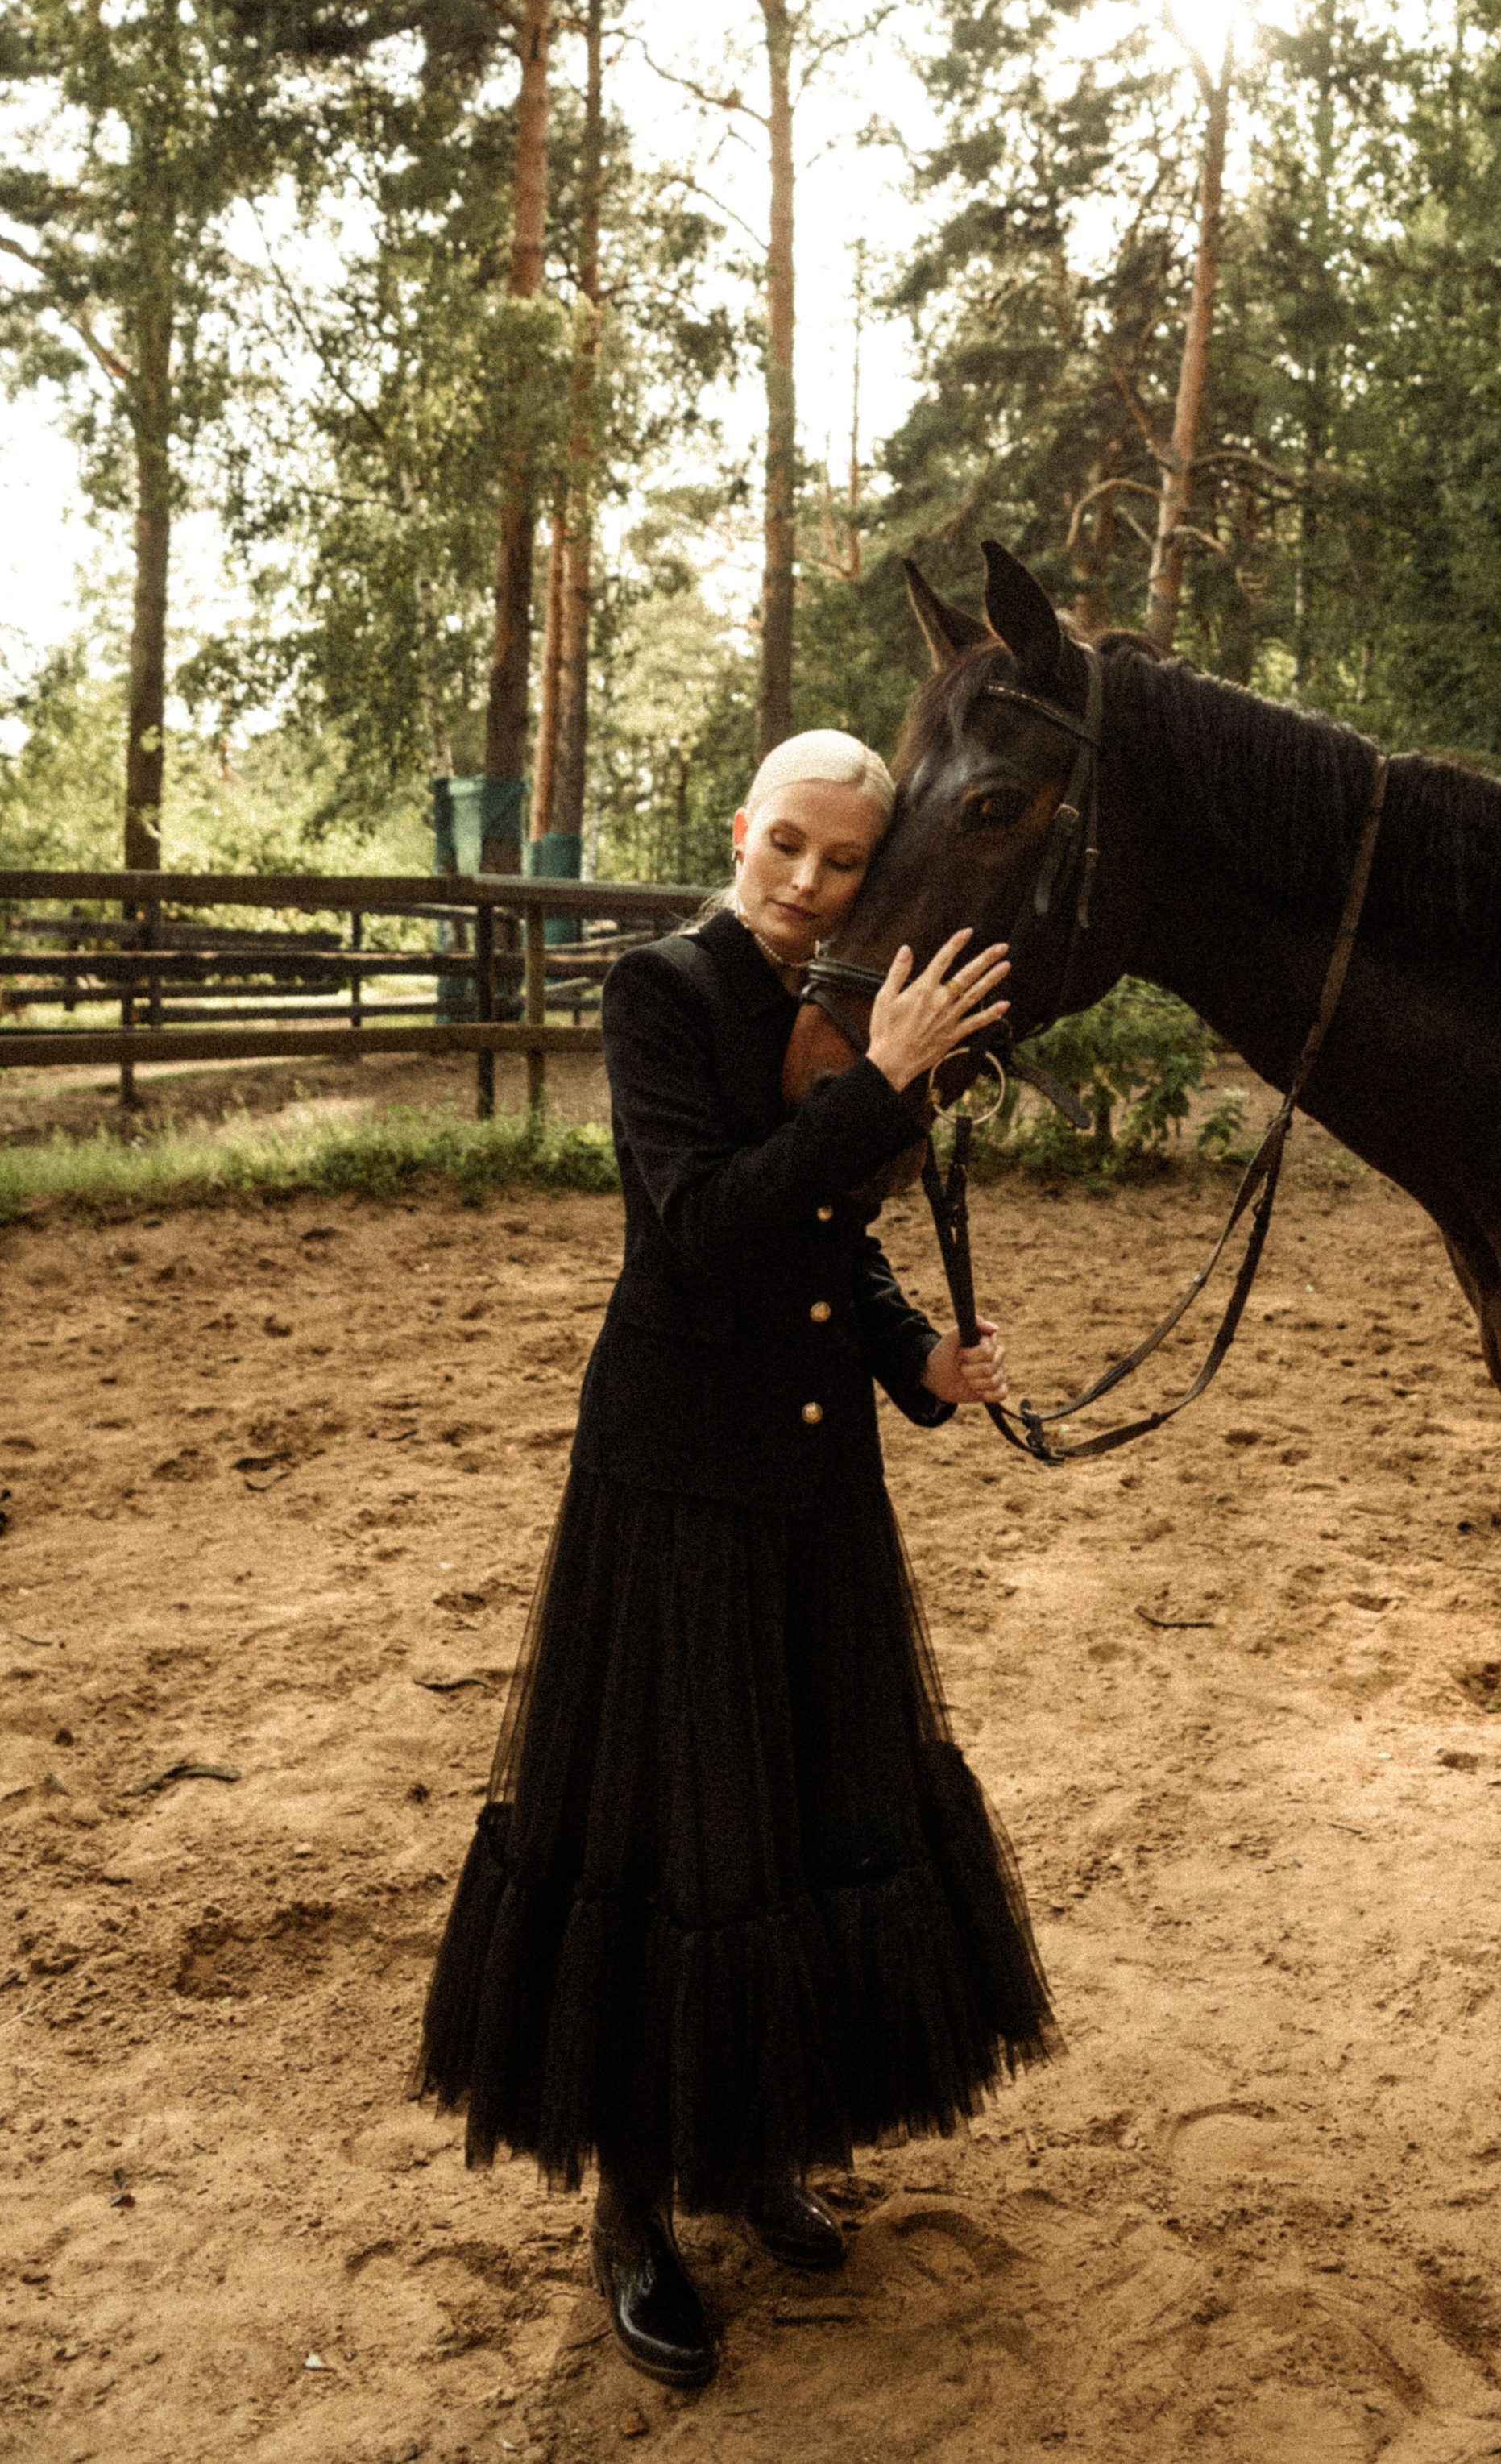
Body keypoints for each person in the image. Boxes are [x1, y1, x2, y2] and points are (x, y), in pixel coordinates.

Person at [417, 732, 1055, 2388]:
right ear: (739, 830)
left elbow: (834, 1238)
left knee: (788, 1808)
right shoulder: (662, 991)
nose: (806, 883)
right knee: (662, 1831)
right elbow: (704, 1225)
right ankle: (632, 2205)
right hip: (678, 1477)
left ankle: (755, 2144)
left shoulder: (841, 1002)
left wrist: (916, 1356)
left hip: (815, 1475)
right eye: (787, 845)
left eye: (842, 862)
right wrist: (877, 1080)